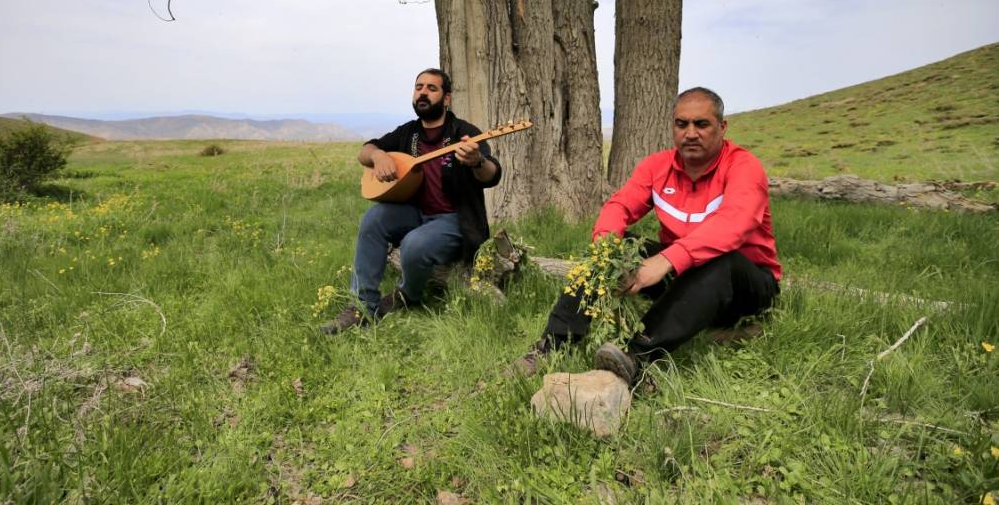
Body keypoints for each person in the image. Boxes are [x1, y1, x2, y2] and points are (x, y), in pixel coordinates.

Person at [514, 87, 781, 384]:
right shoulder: (658, 166)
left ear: (722, 127)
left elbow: (735, 223)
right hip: (686, 274)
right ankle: (552, 346)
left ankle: (635, 357)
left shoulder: (744, 167)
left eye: (701, 124)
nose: (690, 133)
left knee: (722, 261)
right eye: (682, 124)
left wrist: (667, 259)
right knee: (615, 245)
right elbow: (620, 205)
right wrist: (606, 248)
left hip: (746, 285)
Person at [320, 69, 502, 335]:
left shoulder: (464, 132)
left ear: (447, 98)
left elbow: (493, 175)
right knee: (373, 220)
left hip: (453, 220)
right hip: (415, 213)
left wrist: (477, 161)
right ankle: (362, 305)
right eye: (419, 87)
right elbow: (365, 151)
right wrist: (380, 156)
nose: (423, 93)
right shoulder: (409, 133)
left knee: (414, 244)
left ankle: (407, 295)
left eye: (431, 88)